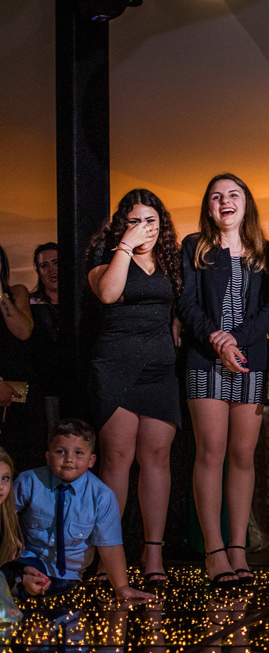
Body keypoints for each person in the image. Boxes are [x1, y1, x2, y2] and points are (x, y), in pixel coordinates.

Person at [178, 174, 269, 586]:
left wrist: (235, 339)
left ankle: (238, 548)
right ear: (208, 207)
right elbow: (186, 302)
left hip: (251, 360)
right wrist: (216, 339)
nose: (225, 201)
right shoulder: (195, 247)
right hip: (205, 360)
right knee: (211, 454)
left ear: (246, 203)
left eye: (233, 194)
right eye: (216, 196)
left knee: (243, 456)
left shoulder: (265, 252)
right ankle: (214, 550)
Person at [87, 188, 182, 586]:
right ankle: (108, 555)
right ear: (122, 225)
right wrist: (125, 245)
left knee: (157, 457)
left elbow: (179, 309)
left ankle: (153, 552)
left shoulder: (170, 260)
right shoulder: (104, 258)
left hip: (160, 370)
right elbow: (109, 293)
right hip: (116, 367)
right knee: (117, 459)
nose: (145, 227)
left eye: (151, 221)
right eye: (135, 220)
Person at [1, 420, 151, 601]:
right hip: (28, 560)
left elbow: (110, 546)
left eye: (78, 453)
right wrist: (12, 538)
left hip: (67, 574)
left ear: (91, 460)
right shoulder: (29, 481)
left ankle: (22, 588)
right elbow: (5, 511)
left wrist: (121, 587)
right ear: (48, 457)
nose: (69, 459)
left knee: (43, 590)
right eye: (60, 452)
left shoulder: (102, 496)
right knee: (18, 575)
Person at [0, 244, 35, 469]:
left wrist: (0, 295)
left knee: (18, 456)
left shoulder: (16, 292)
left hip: (17, 389)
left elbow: (23, 332)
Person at [28, 243, 61, 434]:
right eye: (44, 265)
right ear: (38, 271)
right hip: (44, 389)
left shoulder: (84, 303)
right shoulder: (30, 305)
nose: (52, 270)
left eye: (56, 262)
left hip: (79, 384)